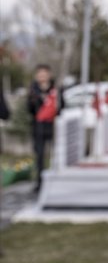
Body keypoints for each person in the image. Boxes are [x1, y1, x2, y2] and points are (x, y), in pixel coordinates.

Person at [27, 64, 63, 192]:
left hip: (52, 126)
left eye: (44, 73)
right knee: (40, 155)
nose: (41, 76)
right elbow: (29, 109)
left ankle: (56, 179)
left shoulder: (56, 90)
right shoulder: (33, 90)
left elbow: (62, 107)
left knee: (57, 154)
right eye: (39, 74)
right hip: (38, 127)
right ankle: (40, 182)